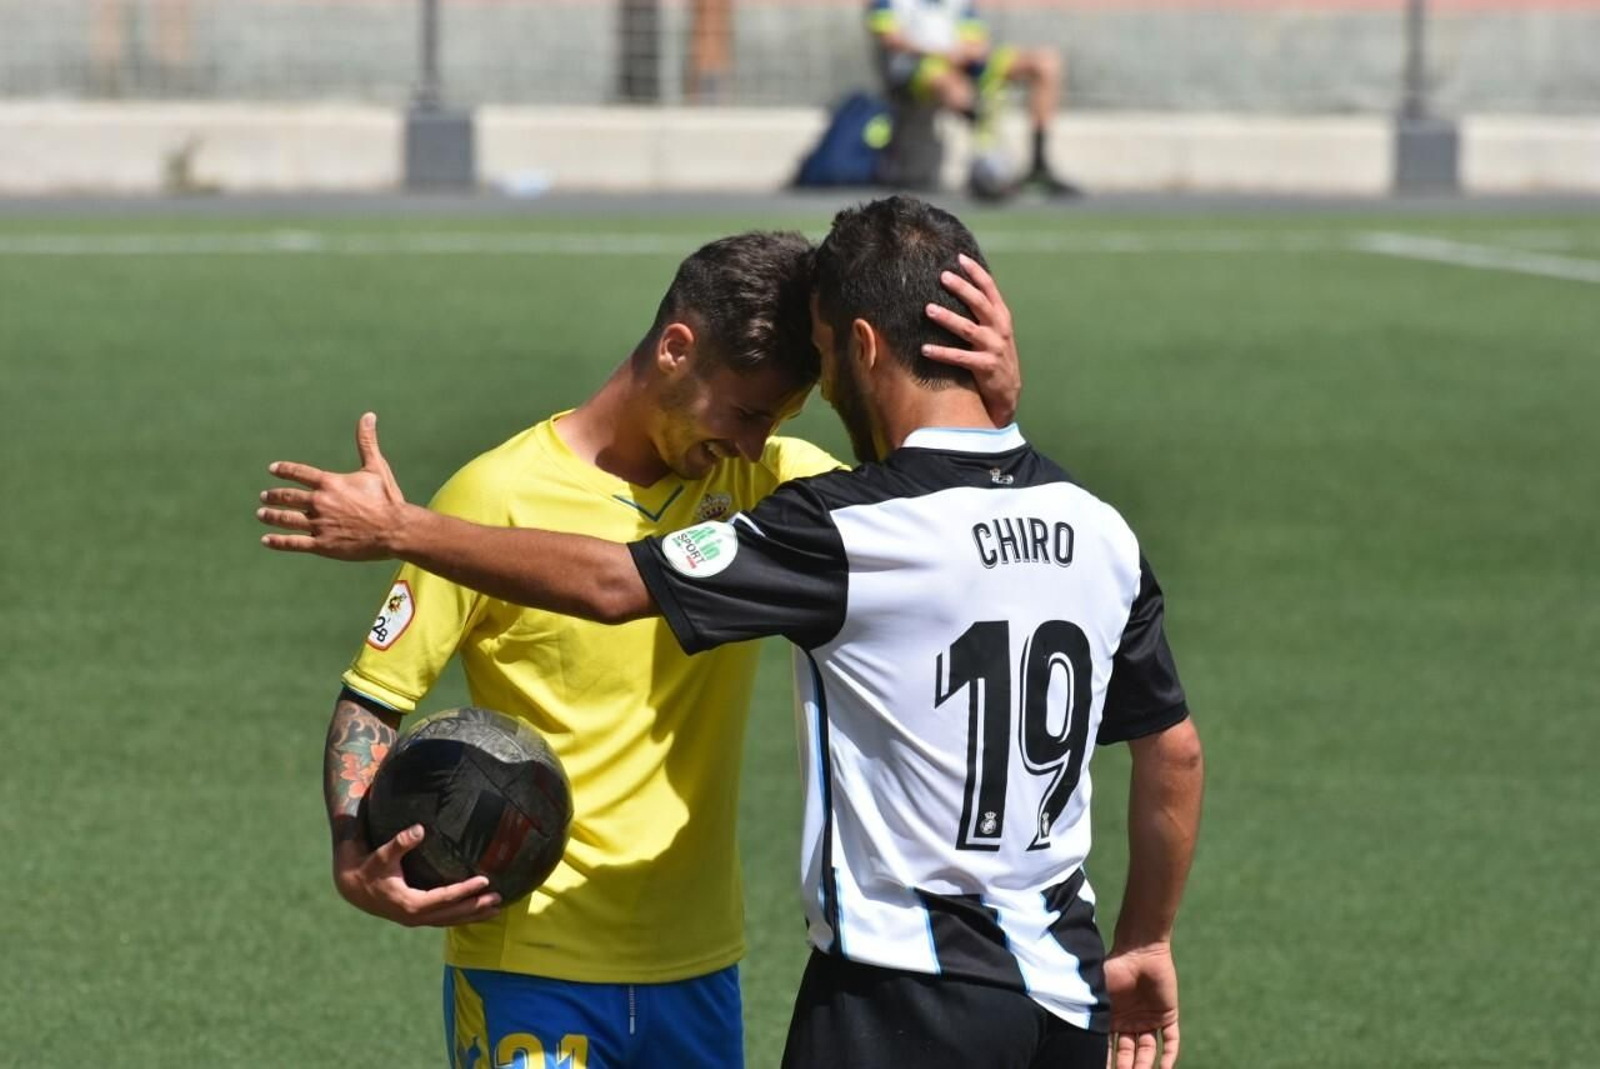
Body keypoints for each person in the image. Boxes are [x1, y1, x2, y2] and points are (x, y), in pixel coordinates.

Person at [259, 196, 1202, 1069]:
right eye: (747, 412)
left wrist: (991, 404)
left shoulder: (775, 487)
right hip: (531, 958)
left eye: (780, 419)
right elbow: (374, 698)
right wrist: (351, 844)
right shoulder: (490, 499)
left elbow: (942, 500)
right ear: (676, 348)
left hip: (700, 968)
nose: (755, 443)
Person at [868, 0, 1082, 198]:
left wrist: (967, 53)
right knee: (954, 89)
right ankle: (988, 157)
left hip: (965, 64)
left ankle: (1039, 166)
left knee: (1046, 63)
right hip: (917, 67)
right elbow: (890, 38)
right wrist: (943, 52)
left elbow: (976, 40)